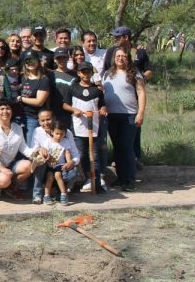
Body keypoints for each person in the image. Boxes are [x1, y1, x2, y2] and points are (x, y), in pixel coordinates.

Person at [103, 26, 152, 169]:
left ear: (126, 37)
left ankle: (135, 160)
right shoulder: (111, 51)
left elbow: (149, 70)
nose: (116, 39)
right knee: (120, 143)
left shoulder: (139, 52)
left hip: (133, 100)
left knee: (131, 138)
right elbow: (107, 70)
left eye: (118, 36)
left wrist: (140, 77)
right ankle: (122, 169)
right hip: (114, 105)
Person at [102, 49, 146, 192]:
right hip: (111, 116)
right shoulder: (108, 73)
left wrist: (140, 113)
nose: (120, 58)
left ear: (128, 58)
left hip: (129, 115)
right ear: (114, 58)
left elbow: (141, 92)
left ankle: (130, 179)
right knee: (118, 147)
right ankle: (120, 177)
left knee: (127, 147)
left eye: (123, 56)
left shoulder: (134, 73)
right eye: (118, 56)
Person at [64, 61, 108, 194]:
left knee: (94, 156)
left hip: (93, 128)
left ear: (91, 73)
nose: (85, 74)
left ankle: (97, 184)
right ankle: (75, 181)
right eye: (83, 71)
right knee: (80, 155)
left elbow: (103, 105)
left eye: (88, 71)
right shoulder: (73, 88)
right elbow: (65, 105)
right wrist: (74, 110)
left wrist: (103, 110)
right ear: (78, 73)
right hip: (77, 128)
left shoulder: (97, 90)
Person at [0, 99, 33, 199]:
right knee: (4, 180)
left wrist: (37, 153)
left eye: (8, 108)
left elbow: (24, 149)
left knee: (29, 166)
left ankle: (10, 188)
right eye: (2, 109)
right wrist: (2, 168)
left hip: (9, 164)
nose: (5, 111)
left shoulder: (17, 128)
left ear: (12, 111)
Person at [30, 108, 80, 204]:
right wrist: (40, 150)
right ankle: (38, 195)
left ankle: (59, 193)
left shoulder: (66, 132)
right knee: (39, 160)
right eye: (42, 121)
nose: (46, 123)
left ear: (54, 118)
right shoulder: (37, 131)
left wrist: (71, 162)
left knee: (72, 172)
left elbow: (74, 153)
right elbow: (33, 149)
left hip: (60, 166)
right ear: (39, 121)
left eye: (48, 119)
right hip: (46, 167)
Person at [17, 49, 50, 145]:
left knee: (30, 146)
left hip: (32, 118)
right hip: (18, 116)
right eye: (28, 61)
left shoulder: (43, 79)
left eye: (33, 60)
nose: (31, 63)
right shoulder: (21, 77)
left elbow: (39, 101)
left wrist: (20, 98)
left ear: (38, 61)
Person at [41, 121, 75, 205]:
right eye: (57, 133)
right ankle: (46, 196)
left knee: (58, 175)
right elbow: (45, 153)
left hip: (59, 165)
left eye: (62, 134)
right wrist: (49, 160)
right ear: (52, 132)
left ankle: (63, 194)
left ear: (65, 133)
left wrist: (69, 162)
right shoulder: (48, 141)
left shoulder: (65, 141)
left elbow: (67, 152)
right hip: (50, 165)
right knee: (50, 178)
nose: (59, 136)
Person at [49, 47, 76, 127]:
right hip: (54, 113)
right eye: (59, 58)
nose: (61, 60)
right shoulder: (50, 74)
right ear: (54, 60)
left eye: (64, 57)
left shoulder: (75, 75)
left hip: (71, 113)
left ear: (68, 58)